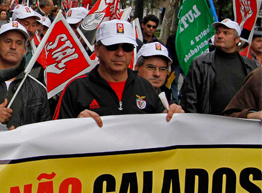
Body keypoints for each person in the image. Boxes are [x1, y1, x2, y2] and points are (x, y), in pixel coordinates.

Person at [53, 20, 184, 126]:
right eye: (112, 46)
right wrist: (74, 125)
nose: (120, 53)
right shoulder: (76, 88)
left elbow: (161, 131)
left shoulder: (145, 87)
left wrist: (174, 116)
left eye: (127, 48)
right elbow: (54, 135)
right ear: (97, 49)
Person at [180, 19, 258, 114]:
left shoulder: (250, 66)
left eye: (226, 33)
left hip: (239, 125)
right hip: (207, 124)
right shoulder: (201, 63)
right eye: (217, 32)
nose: (220, 36)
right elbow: (189, 100)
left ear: (237, 39)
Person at [0, 22, 50, 128]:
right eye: (8, 41)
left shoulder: (38, 89)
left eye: (18, 43)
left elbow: (45, 131)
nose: (13, 47)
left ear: (24, 50)